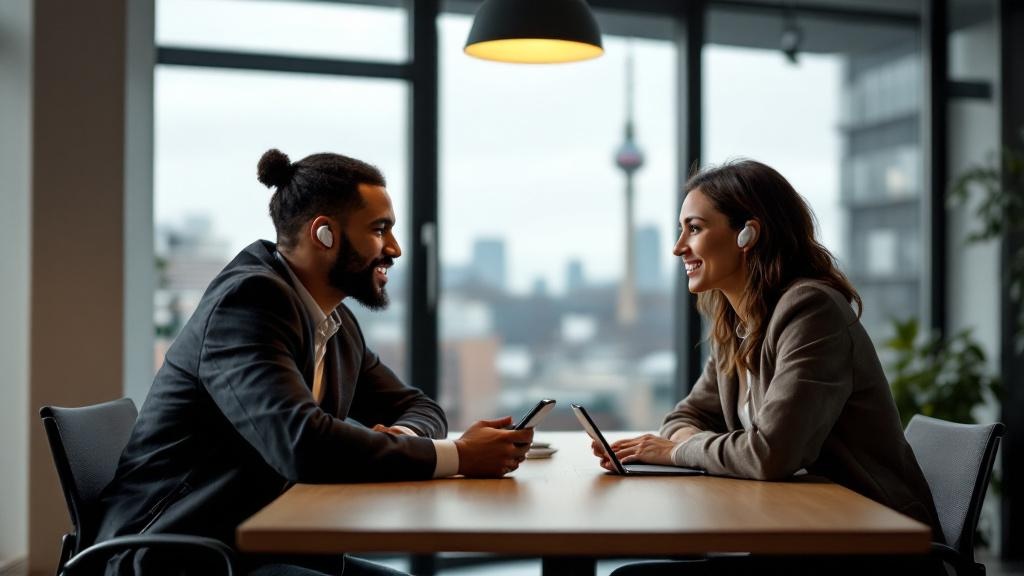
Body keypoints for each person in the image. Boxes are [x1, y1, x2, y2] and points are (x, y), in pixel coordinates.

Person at [96, 149, 533, 576]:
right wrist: (457, 455)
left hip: (265, 546)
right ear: (324, 234)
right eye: (380, 230)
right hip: (180, 555)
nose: (395, 249)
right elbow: (302, 445)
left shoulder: (334, 321)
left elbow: (420, 408)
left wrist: (402, 435)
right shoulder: (248, 304)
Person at [595, 160, 942, 576]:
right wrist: (691, 442)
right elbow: (684, 416)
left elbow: (769, 454)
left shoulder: (811, 310)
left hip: (869, 547)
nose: (678, 247)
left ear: (748, 233)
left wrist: (678, 450)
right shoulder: (737, 322)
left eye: (695, 228)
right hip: (800, 535)